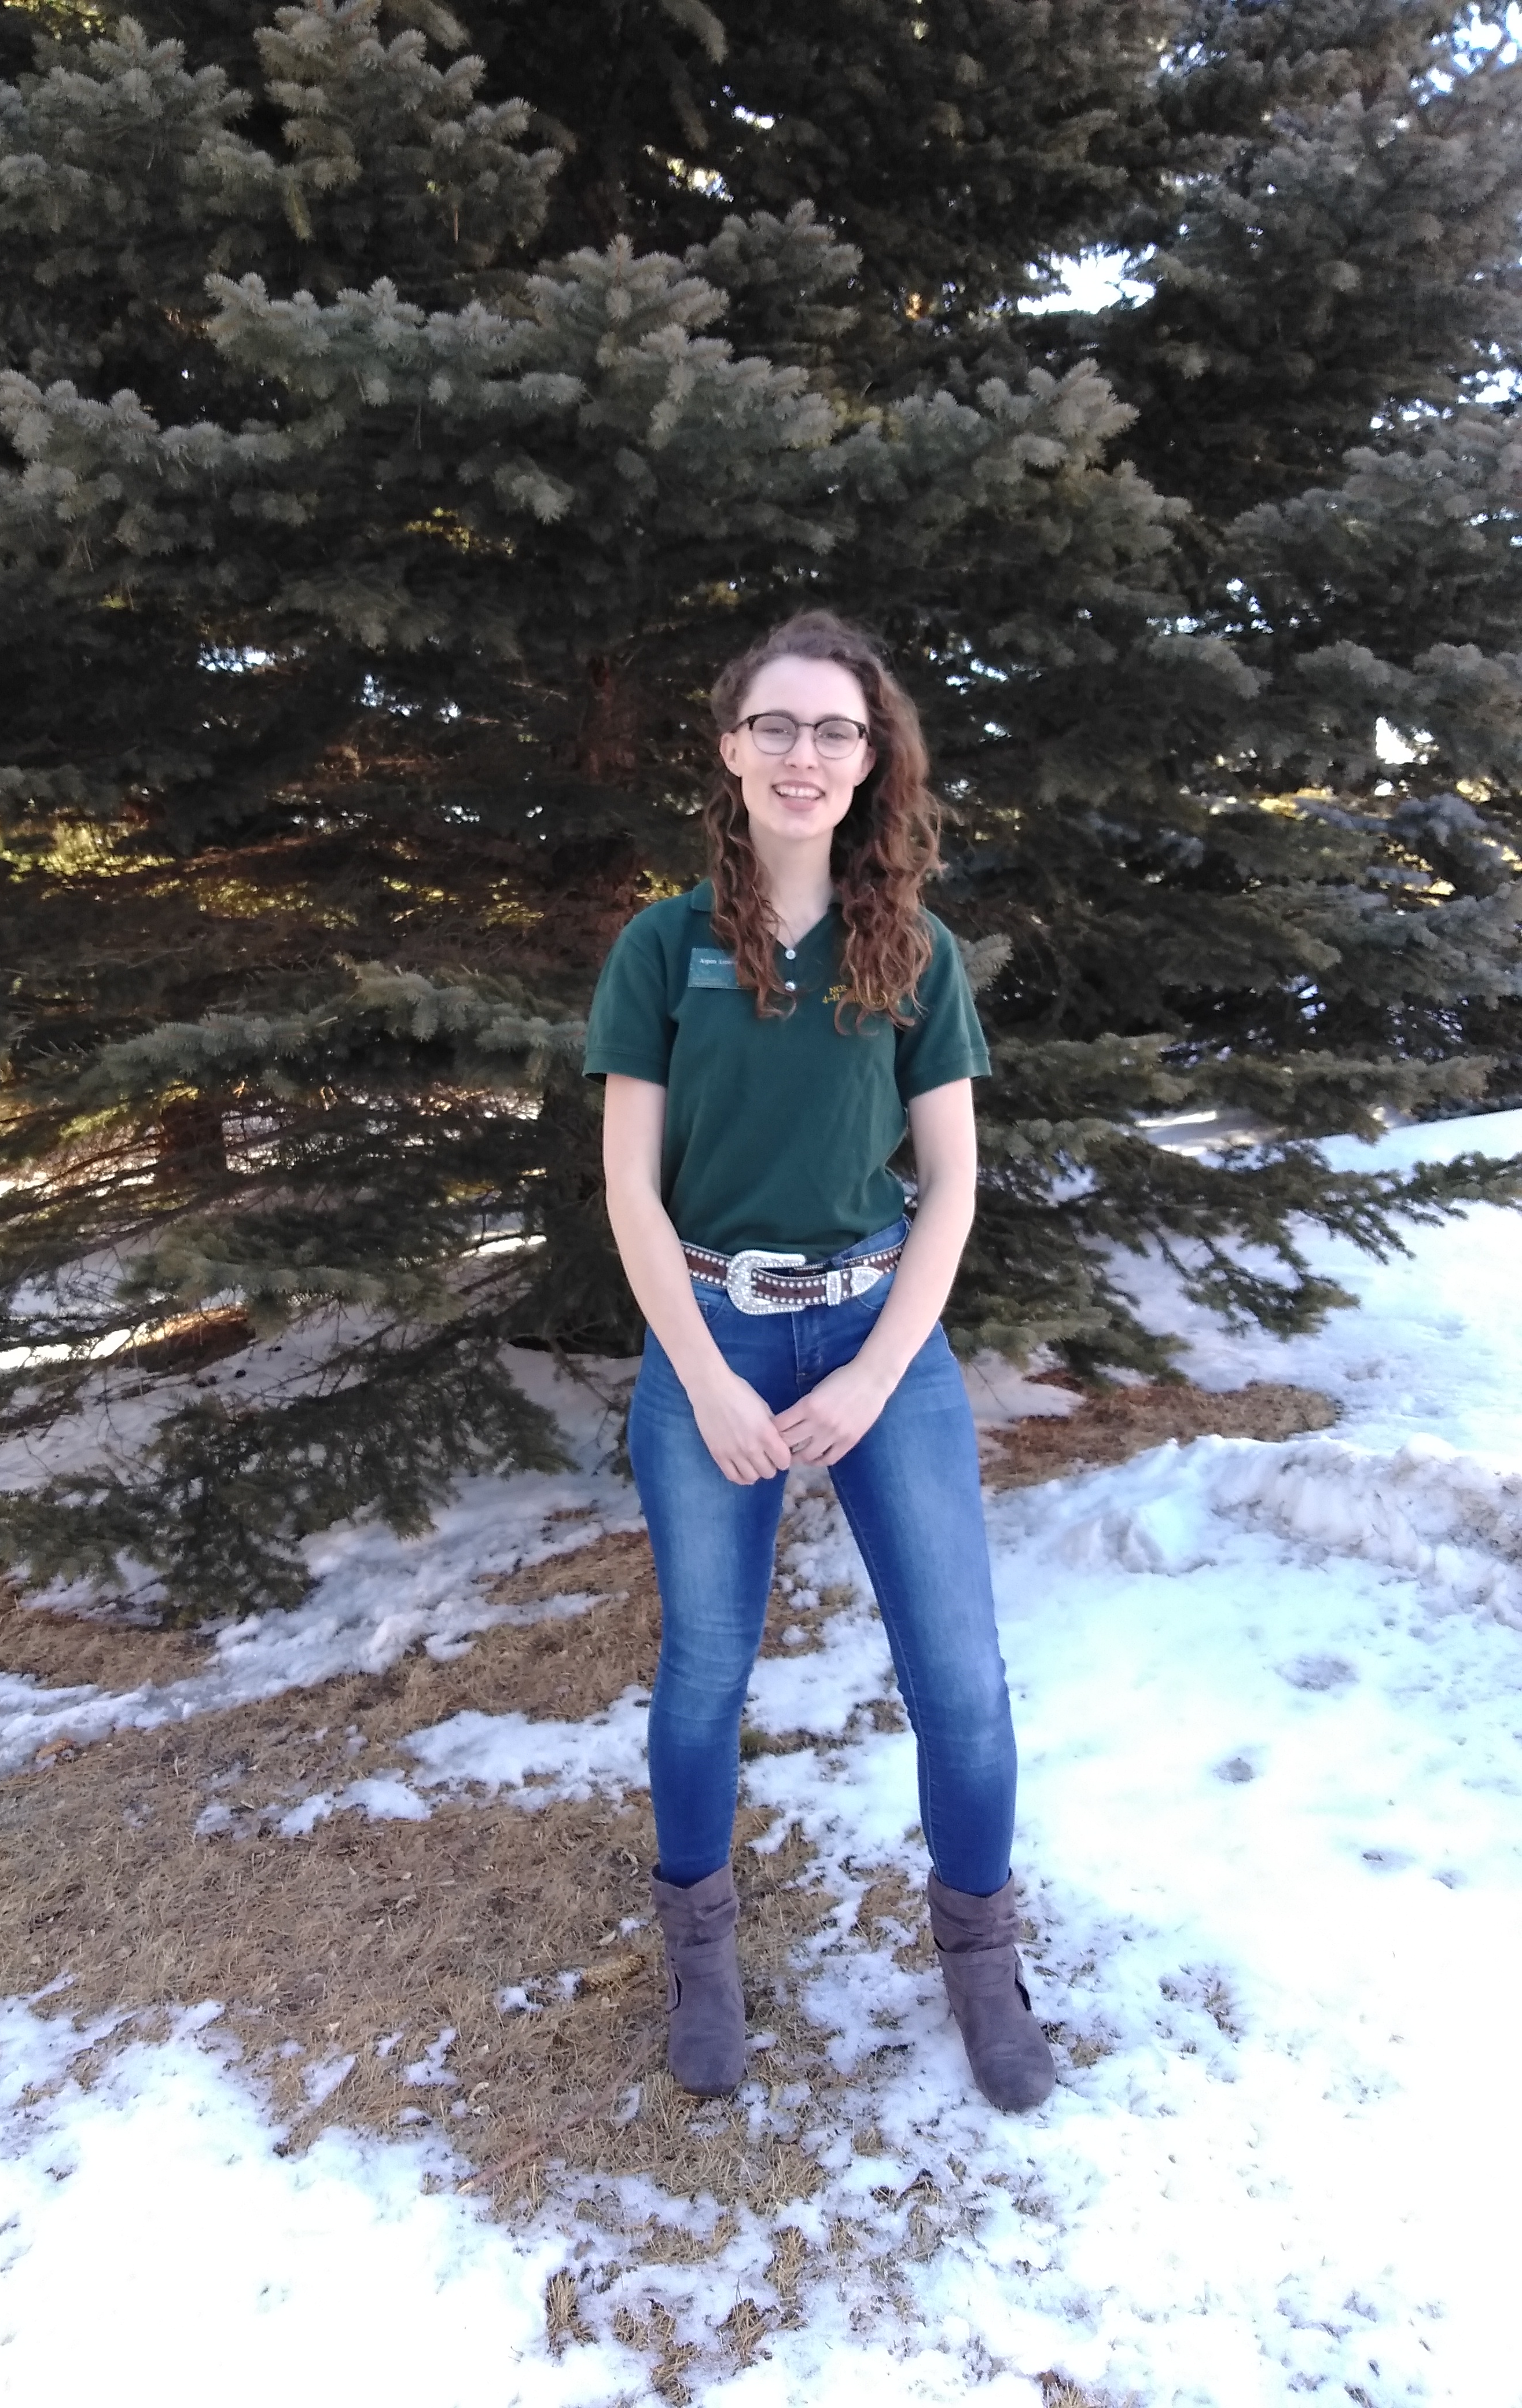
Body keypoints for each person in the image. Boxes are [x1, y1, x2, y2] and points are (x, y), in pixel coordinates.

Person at [582, 610, 1054, 2116]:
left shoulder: (915, 952)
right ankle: (702, 1955)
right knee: (704, 1675)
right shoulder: (663, 949)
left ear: (871, 761)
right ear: (730, 751)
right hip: (709, 1328)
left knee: (965, 1690)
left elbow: (958, 1189)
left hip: (877, 1334)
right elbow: (629, 1192)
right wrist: (711, 1382)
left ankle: (981, 1961)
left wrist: (862, 1380)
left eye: (834, 731)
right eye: (775, 727)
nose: (804, 754)